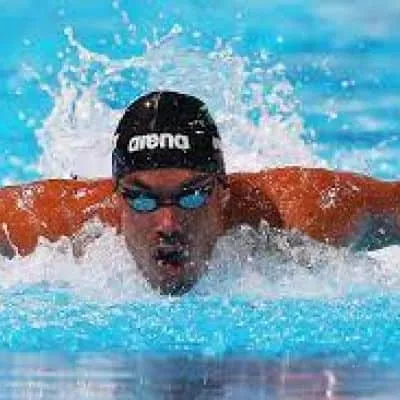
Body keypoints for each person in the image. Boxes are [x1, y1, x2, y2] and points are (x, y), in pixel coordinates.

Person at [1, 91, 400, 294]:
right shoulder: (61, 223)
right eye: (142, 198)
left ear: (223, 192)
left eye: (191, 195)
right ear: (117, 196)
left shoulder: (305, 211)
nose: (168, 223)